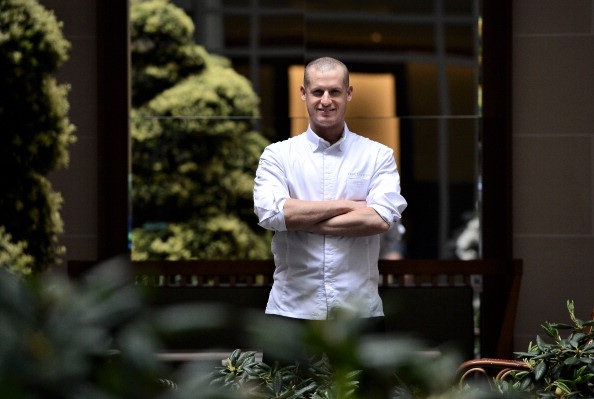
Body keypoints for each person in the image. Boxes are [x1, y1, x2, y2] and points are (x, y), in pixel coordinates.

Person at [253, 57, 407, 356]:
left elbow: (379, 220)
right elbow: (272, 213)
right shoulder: (277, 155)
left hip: (359, 311)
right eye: (318, 92)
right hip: (291, 309)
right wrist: (349, 206)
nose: (326, 100)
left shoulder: (378, 156)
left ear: (349, 93)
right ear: (303, 93)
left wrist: (299, 217)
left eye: (335, 92)